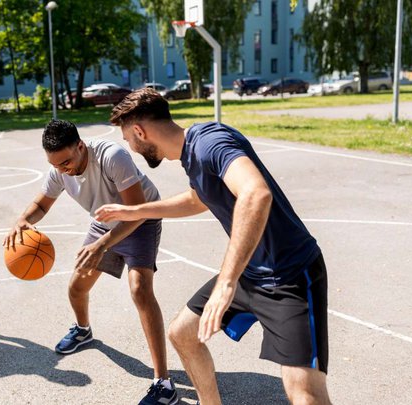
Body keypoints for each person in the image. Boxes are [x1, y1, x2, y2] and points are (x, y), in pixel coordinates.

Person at [96, 88, 331, 405]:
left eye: (128, 139)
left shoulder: (209, 142)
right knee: (183, 334)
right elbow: (197, 199)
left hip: (289, 275)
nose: (131, 147)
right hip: (251, 272)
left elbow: (256, 194)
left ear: (139, 131)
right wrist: (136, 211)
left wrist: (226, 282)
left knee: (305, 394)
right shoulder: (191, 154)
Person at [3, 119, 179, 404]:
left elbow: (135, 210)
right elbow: (41, 204)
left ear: (81, 146)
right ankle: (83, 330)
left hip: (141, 217)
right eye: (56, 165)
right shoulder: (59, 170)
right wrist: (23, 219)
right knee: (76, 287)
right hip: (103, 221)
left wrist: (102, 245)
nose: (63, 170)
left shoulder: (112, 156)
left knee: (140, 289)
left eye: (66, 162)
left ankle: (164, 383)